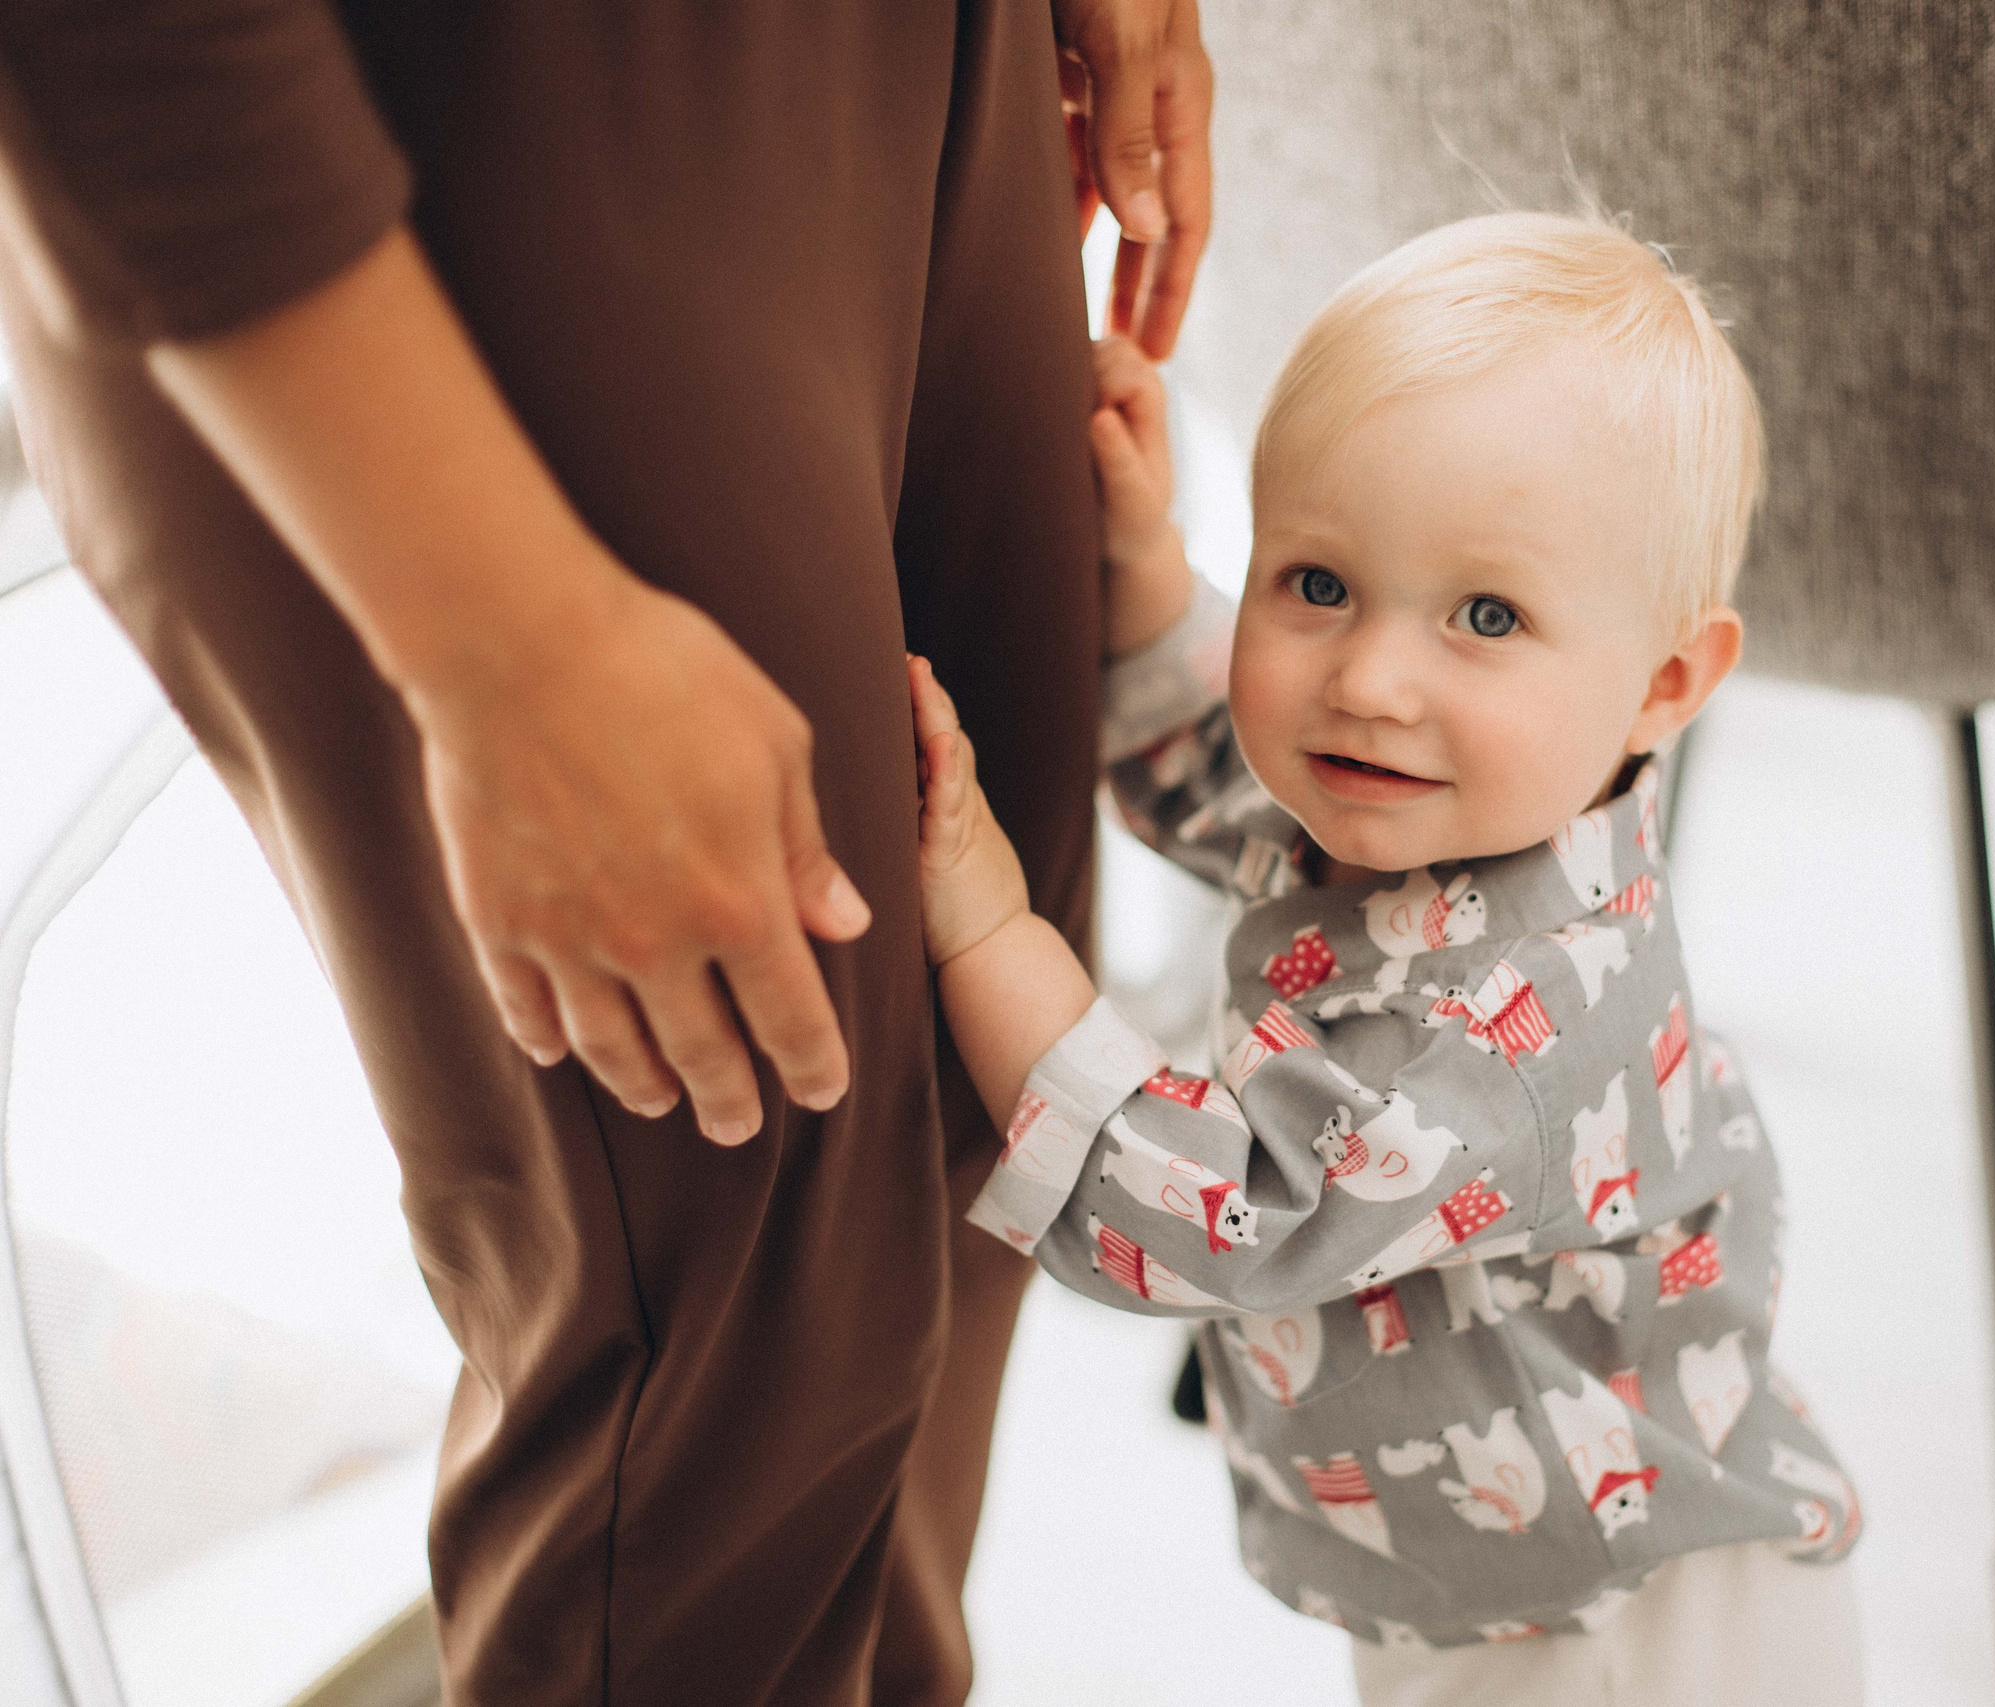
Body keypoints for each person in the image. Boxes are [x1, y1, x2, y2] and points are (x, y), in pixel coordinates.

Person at [0, 2, 1207, 1700]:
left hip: (939, 56)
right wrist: (514, 646)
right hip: (437, 120)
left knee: (968, 1115)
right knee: (730, 1343)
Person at [908, 211, 1865, 1705]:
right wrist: (1148, 566)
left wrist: (981, 927)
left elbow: (1219, 1215)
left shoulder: (1500, 1025)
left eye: (1486, 614)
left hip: (1606, 1618)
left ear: (1663, 684)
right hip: (1500, 1552)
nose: (1368, 680)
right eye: (1317, 583)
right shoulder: (1460, 814)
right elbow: (1222, 774)